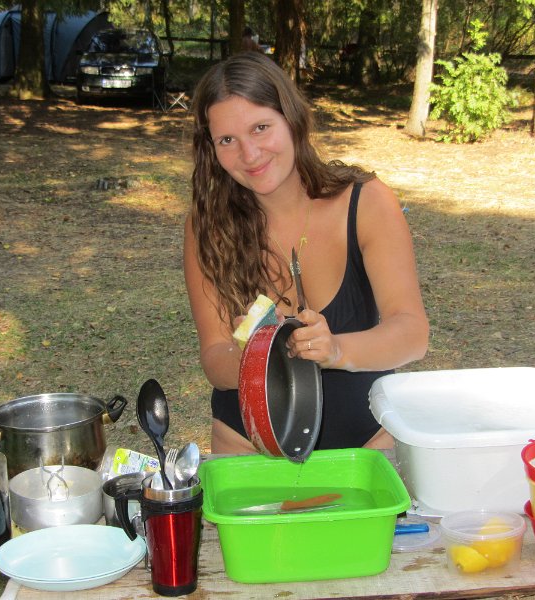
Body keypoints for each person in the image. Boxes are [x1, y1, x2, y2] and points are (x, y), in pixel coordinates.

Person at [183, 52, 429, 454]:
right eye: (227, 140)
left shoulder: (366, 202)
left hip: (366, 448)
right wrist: (253, 358)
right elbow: (214, 356)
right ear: (211, 148)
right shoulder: (207, 226)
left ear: (292, 119)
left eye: (261, 128)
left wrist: (337, 350)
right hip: (246, 447)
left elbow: (412, 333)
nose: (249, 154)